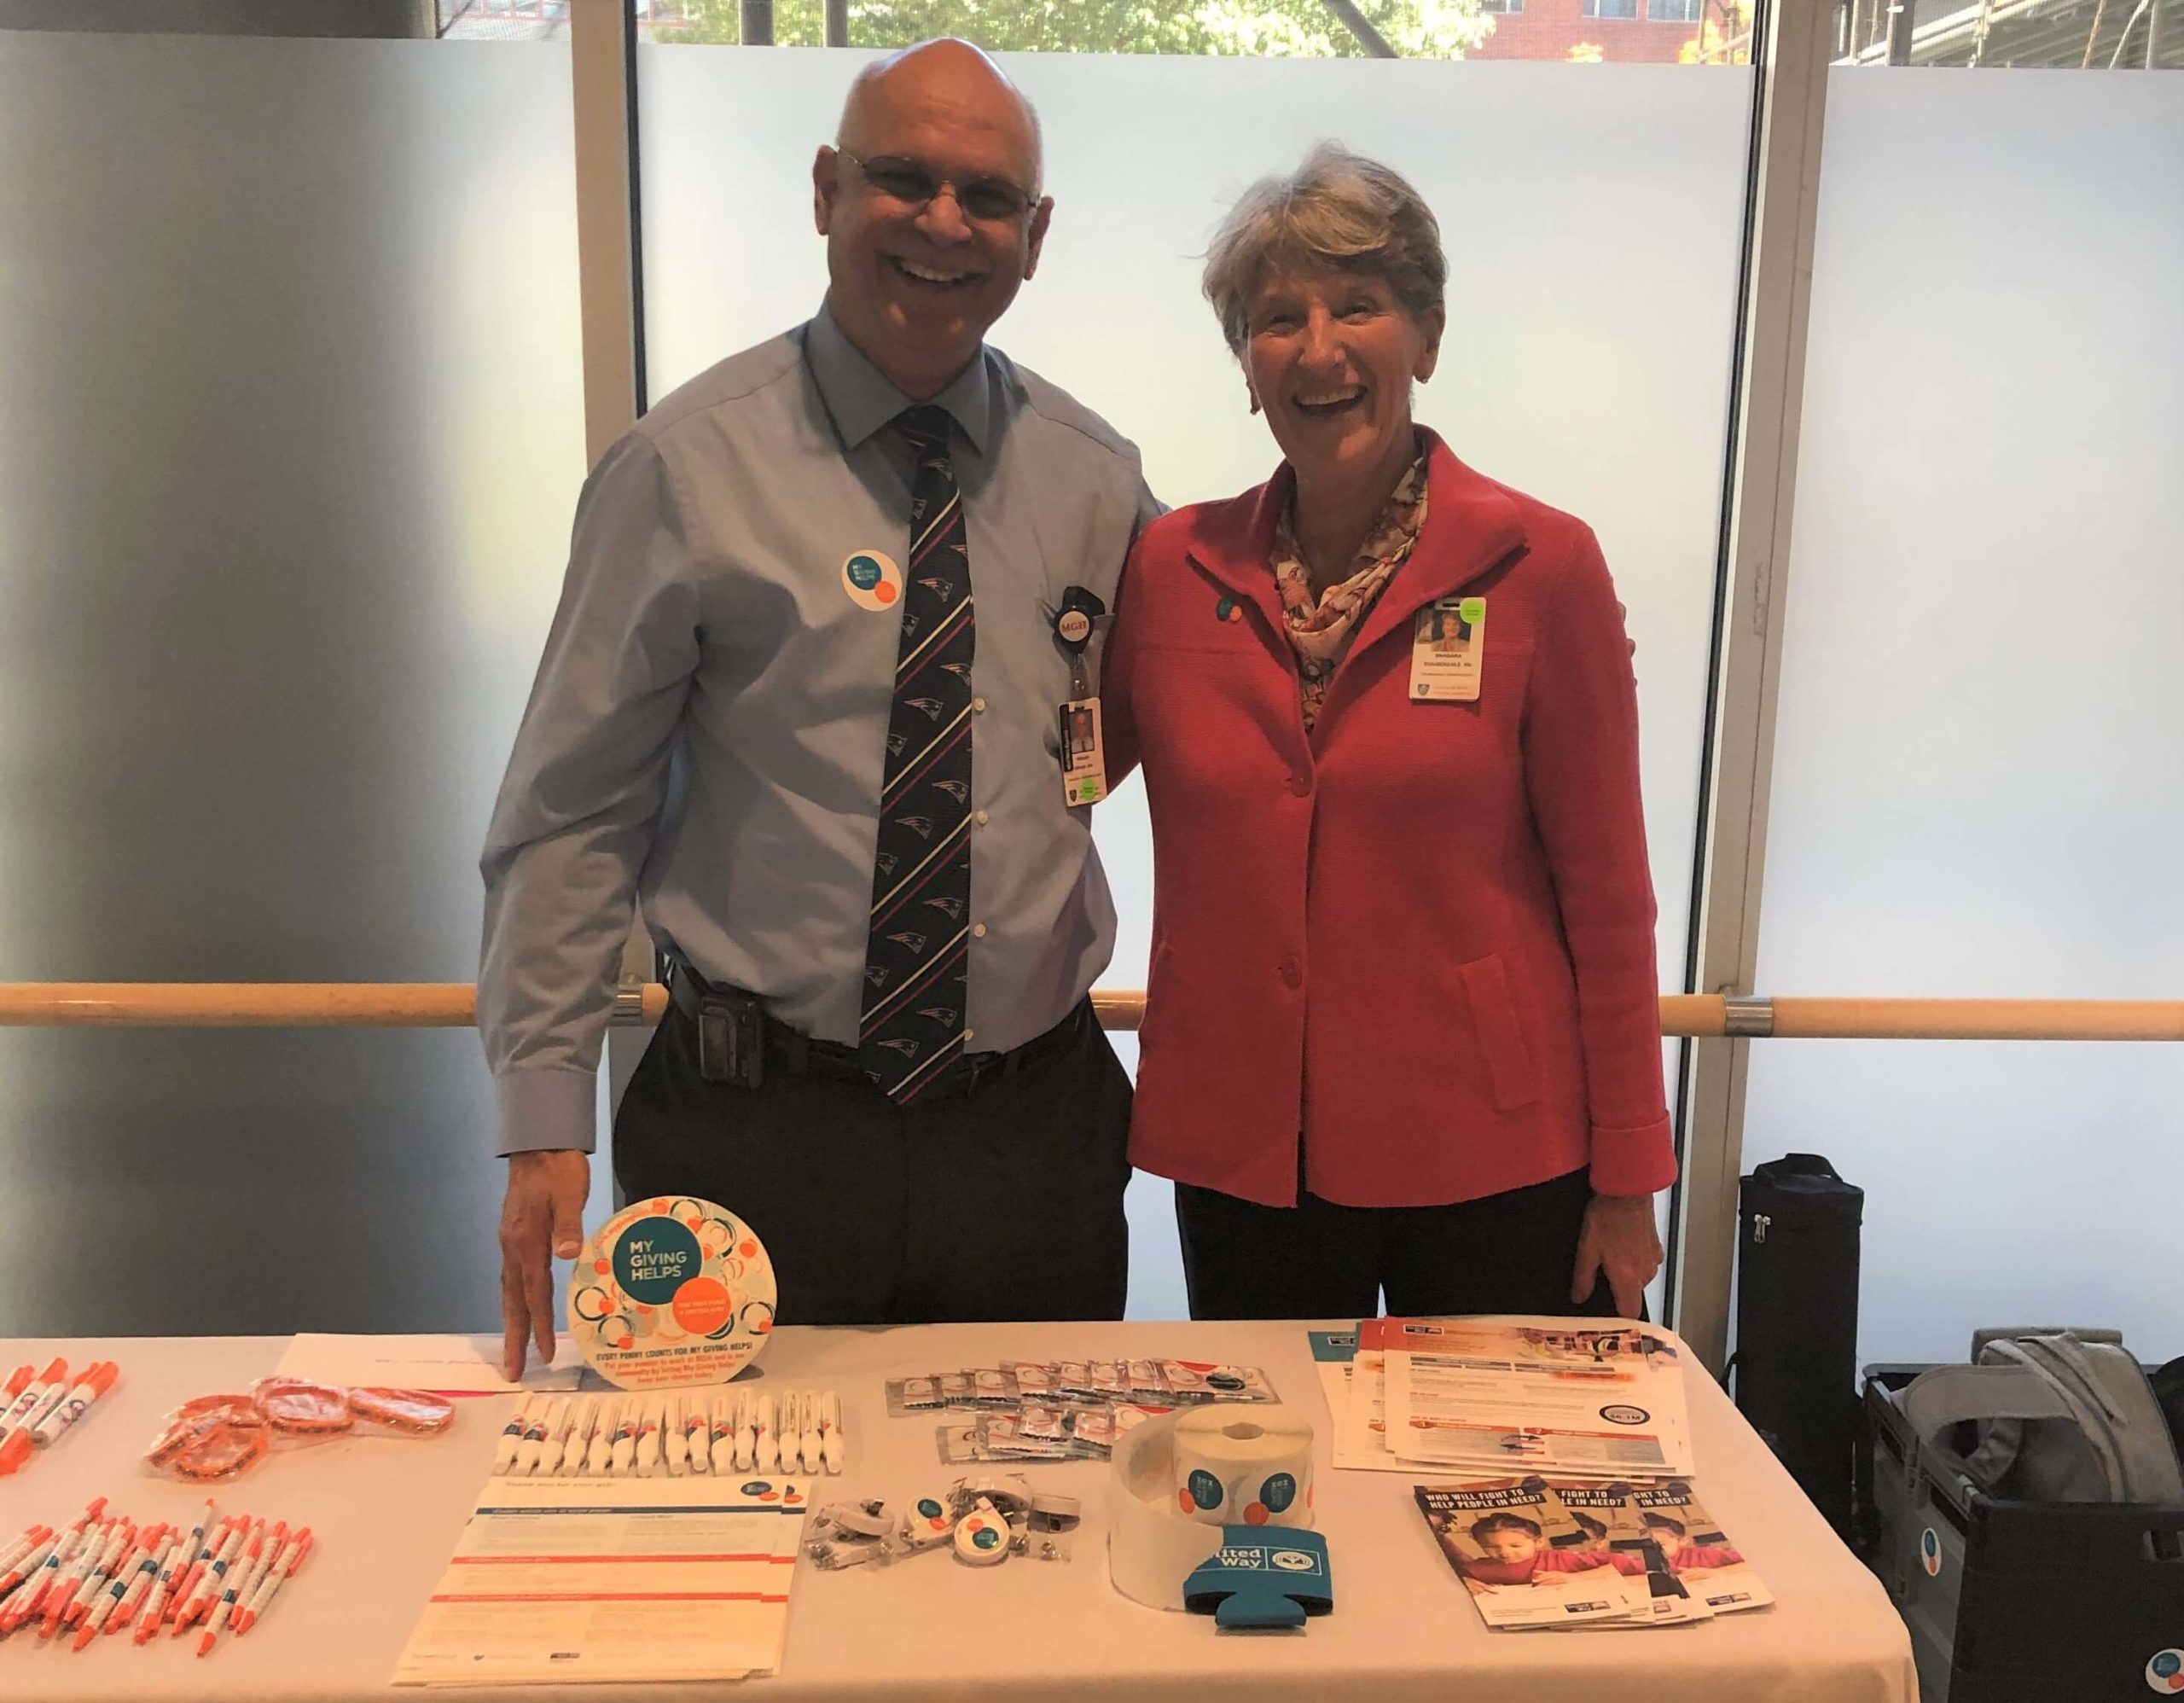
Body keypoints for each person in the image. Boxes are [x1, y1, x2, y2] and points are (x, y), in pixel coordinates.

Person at [480, 40, 1158, 1379]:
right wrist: (542, 1113)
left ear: (1035, 237)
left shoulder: (1097, 481)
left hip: (1032, 1135)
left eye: (989, 197)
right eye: (903, 180)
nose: (945, 224)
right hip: (754, 1136)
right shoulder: (682, 468)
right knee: (735, 1540)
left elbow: (1183, 721)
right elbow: (573, 808)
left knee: (1033, 1539)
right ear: (825, 190)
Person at [1102, 143, 1675, 1323]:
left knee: (1487, 1496)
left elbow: (1610, 897)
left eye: (1355, 306)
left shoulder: (1539, 566)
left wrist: (1631, 1173)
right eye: (1276, 319)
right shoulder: (1171, 570)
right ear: (1245, 367)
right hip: (1248, 1149)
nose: (1318, 350)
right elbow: (1057, 775)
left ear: (1427, 334)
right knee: (1274, 1492)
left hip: (1495, 1156)